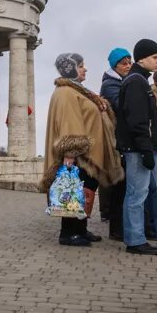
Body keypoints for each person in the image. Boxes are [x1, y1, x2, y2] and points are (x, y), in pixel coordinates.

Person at [43, 53, 124, 245]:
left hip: (87, 154)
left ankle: (81, 228)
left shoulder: (77, 90)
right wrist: (70, 153)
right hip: (79, 156)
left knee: (83, 192)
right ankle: (69, 233)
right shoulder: (66, 92)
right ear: (70, 69)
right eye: (80, 66)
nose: (85, 68)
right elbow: (69, 123)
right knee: (73, 190)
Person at [115, 39, 157, 256]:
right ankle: (135, 240)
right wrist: (145, 148)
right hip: (137, 148)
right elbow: (137, 120)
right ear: (142, 58)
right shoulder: (135, 82)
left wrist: (155, 146)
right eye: (155, 57)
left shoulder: (141, 81)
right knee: (138, 192)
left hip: (150, 147)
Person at [99, 47, 131, 230]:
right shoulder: (110, 84)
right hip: (116, 139)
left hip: (122, 139)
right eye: (124, 63)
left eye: (130, 62)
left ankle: (118, 224)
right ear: (115, 65)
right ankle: (116, 227)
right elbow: (121, 107)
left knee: (122, 185)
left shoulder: (123, 81)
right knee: (118, 186)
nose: (128, 66)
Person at [41, 136, 93, 244]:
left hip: (78, 153)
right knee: (69, 194)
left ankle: (78, 231)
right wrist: (68, 158)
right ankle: (67, 234)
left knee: (75, 195)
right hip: (73, 151)